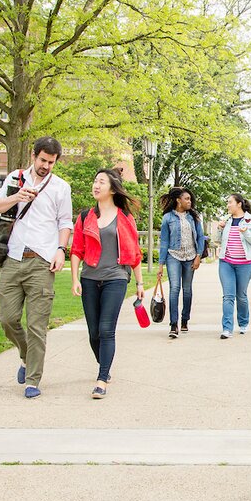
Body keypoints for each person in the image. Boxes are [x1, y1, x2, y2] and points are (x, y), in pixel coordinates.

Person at [0, 136, 73, 399]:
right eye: (43, 160)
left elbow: (65, 222)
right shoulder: (15, 179)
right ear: (33, 155)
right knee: (7, 318)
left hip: (42, 262)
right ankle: (25, 355)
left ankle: (33, 380)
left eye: (51, 162)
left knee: (37, 325)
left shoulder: (60, 187)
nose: (46, 166)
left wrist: (61, 250)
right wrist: (16, 198)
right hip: (13, 259)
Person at [69, 169, 145, 399]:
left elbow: (134, 253)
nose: (96, 185)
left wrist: (140, 284)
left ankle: (102, 379)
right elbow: (76, 251)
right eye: (95, 180)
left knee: (106, 329)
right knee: (93, 333)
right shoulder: (85, 217)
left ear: (112, 188)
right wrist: (74, 279)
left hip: (116, 278)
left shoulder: (125, 218)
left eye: (101, 181)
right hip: (89, 278)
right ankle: (105, 365)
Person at [157, 187, 206, 339]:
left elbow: (200, 238)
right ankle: (173, 324)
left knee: (187, 290)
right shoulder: (167, 218)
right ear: (178, 200)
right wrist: (160, 265)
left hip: (190, 256)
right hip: (173, 255)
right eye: (186, 199)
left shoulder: (194, 217)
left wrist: (198, 256)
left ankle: (185, 318)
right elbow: (164, 242)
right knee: (174, 289)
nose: (189, 201)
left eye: (190, 199)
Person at [215, 194, 251, 339]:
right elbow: (217, 241)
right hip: (226, 263)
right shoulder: (227, 220)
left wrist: (245, 231)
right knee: (228, 296)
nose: (228, 205)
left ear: (239, 204)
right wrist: (219, 229)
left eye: (230, 202)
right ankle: (227, 329)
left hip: (245, 264)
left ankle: (243, 323)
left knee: (241, 296)